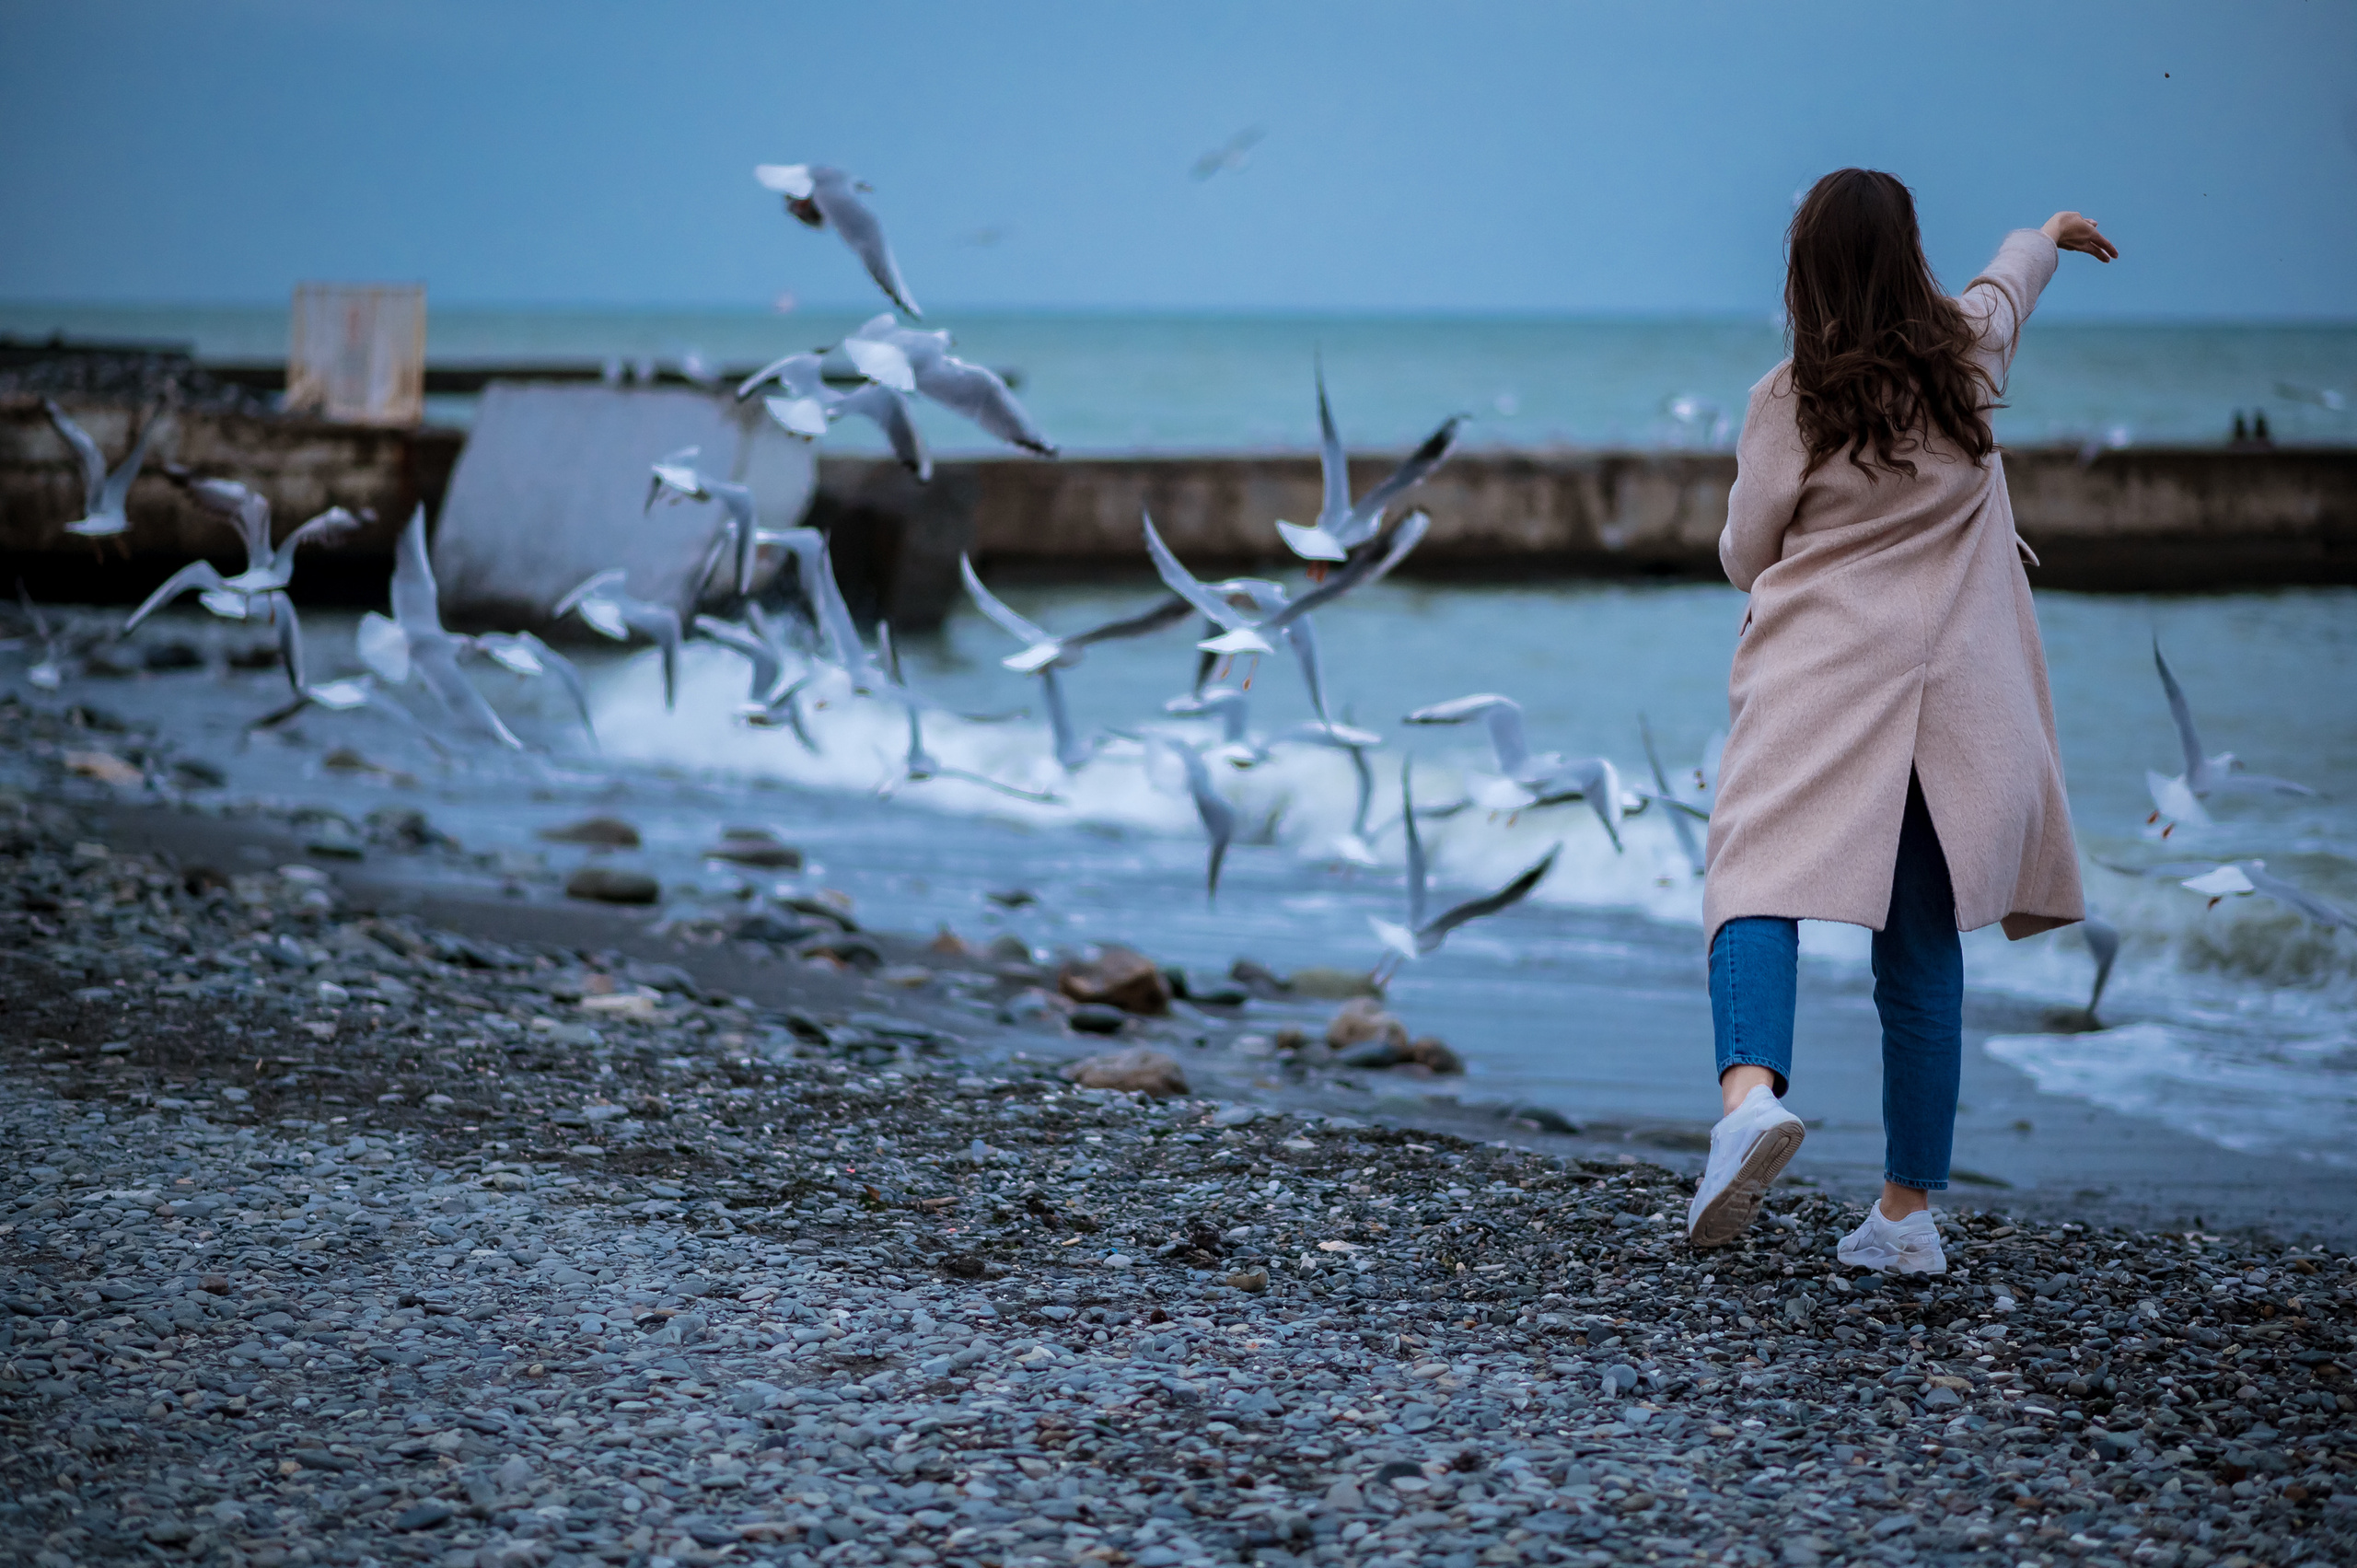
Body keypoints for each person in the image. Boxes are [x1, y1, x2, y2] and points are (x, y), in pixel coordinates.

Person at [1685, 170, 2119, 1272]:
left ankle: (1748, 1099)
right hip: (1956, 695)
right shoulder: (1966, 356)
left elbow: (1744, 551)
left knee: (1754, 878)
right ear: (1905, 252)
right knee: (1919, 951)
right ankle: (1904, 1216)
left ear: (1807, 268)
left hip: (1824, 677)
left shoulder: (1790, 396)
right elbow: (2006, 285)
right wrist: (2049, 232)